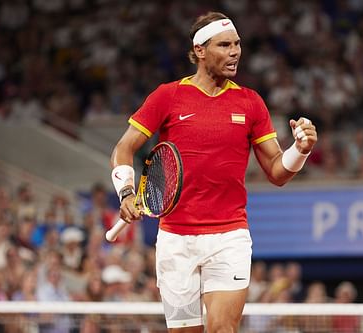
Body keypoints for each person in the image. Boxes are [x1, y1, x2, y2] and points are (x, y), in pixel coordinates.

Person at [110, 11, 317, 332]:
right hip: (175, 240)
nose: (235, 51)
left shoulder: (250, 103)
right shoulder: (168, 96)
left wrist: (300, 150)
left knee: (223, 329)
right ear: (200, 51)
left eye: (237, 44)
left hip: (229, 237)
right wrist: (125, 191)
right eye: (224, 45)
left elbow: (278, 172)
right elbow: (124, 148)